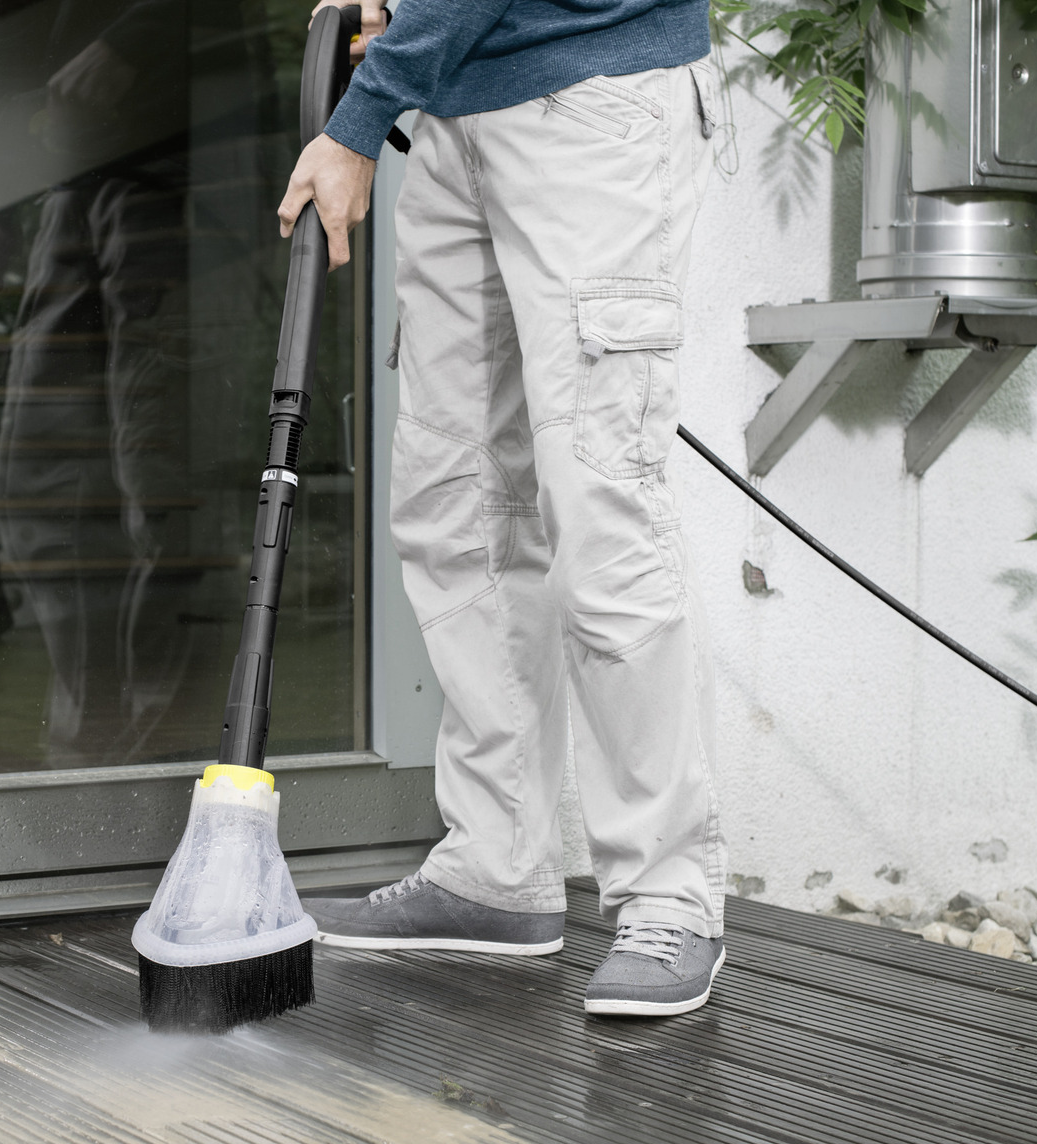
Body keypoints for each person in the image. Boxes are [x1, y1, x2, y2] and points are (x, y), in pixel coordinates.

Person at [286, 0, 729, 1016]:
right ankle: (497, 864)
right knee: (457, 510)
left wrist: (360, 116)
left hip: (592, 108)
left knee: (601, 506)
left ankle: (670, 892)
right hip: (455, 121)